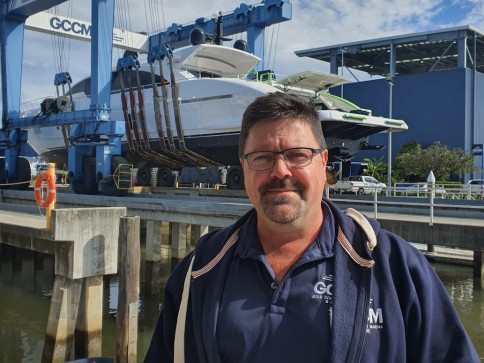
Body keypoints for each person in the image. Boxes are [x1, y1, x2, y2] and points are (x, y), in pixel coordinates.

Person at [145, 92, 479, 363]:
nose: (280, 170)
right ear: (244, 168)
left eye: (297, 155)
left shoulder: (395, 267)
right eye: (262, 157)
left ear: (323, 163)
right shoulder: (199, 271)